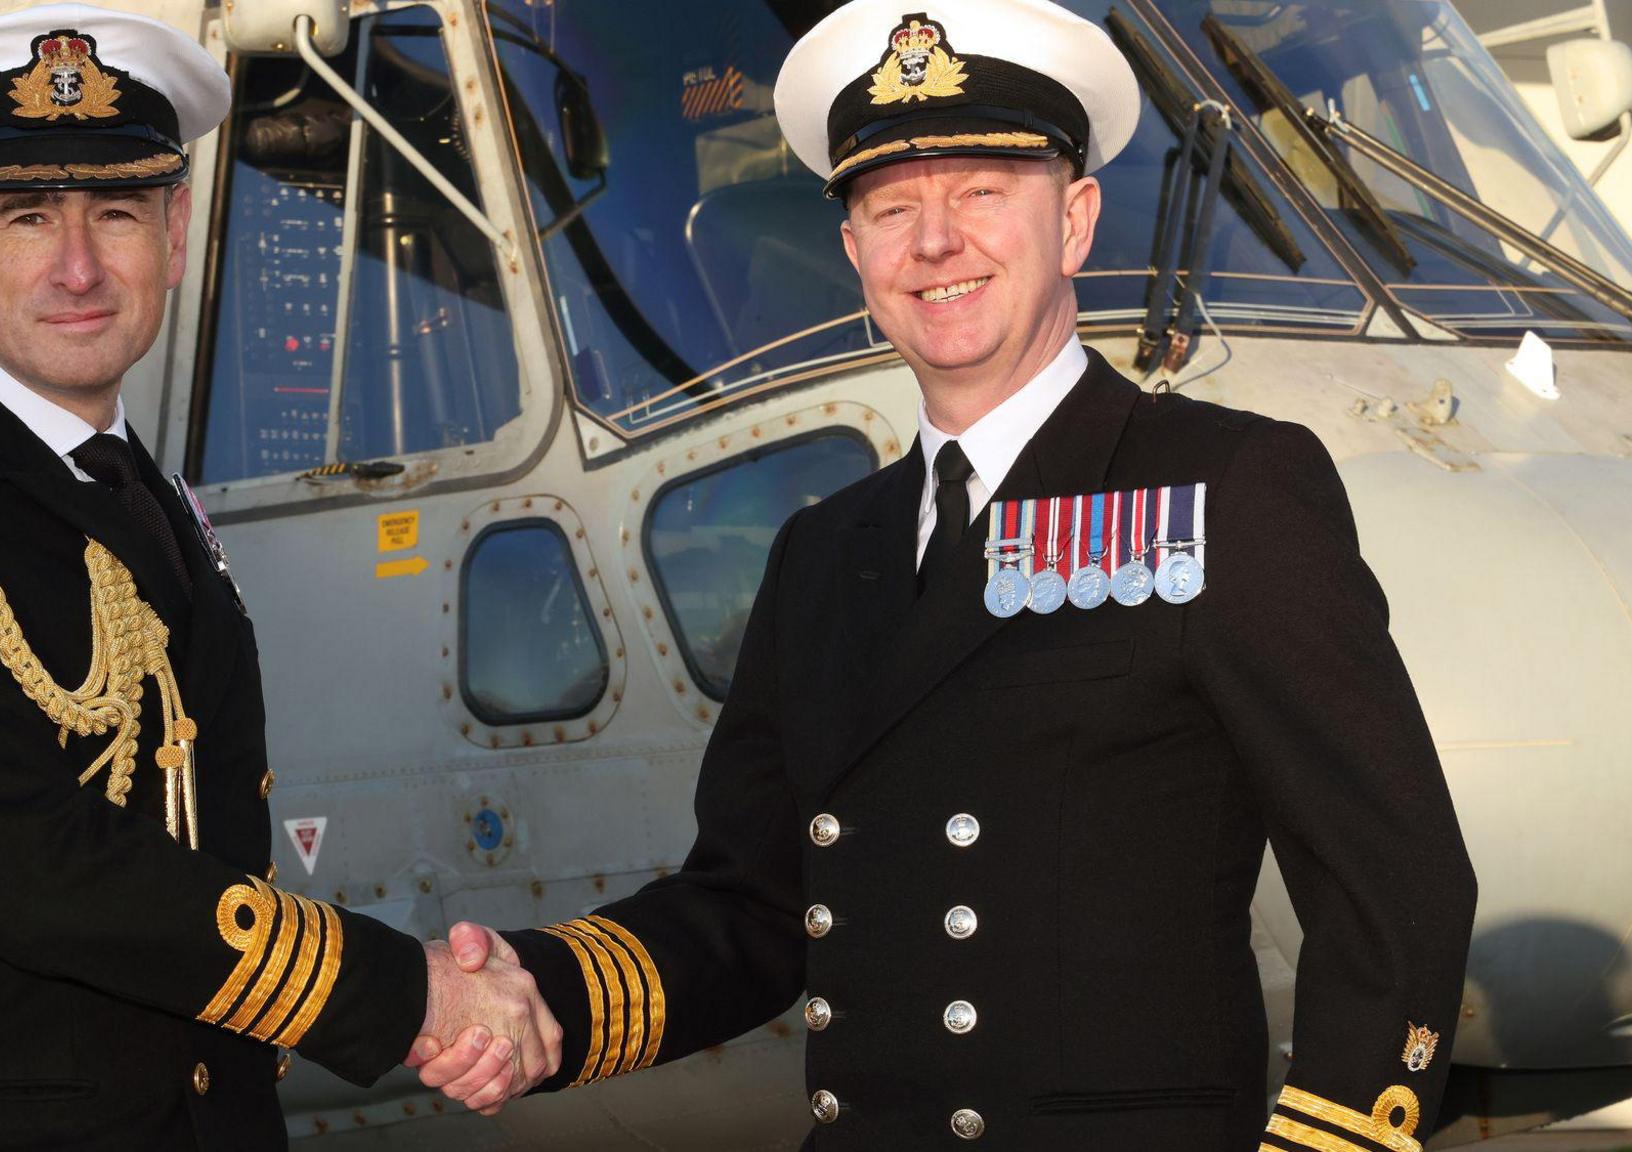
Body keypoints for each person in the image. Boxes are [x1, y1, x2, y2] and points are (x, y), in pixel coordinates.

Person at [411, 0, 1478, 1146]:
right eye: (890, 207)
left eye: (979, 192)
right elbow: (755, 905)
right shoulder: (822, 554)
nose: (934, 243)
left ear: (1071, 222)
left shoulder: (1226, 488)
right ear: (853, 253)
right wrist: (540, 996)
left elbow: (1394, 879)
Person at [0, 6, 554, 1148]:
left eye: (115, 212)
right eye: (24, 216)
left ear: (174, 234)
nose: (76, 267)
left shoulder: (140, 494)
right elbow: (23, 864)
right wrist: (402, 996)